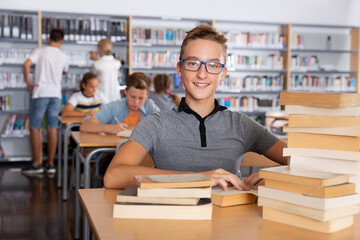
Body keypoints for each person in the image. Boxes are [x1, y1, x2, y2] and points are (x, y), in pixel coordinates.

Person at [103, 24, 288, 190]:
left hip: (227, 223)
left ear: (222, 74)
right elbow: (113, 176)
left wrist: (272, 178)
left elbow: (305, 165)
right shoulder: (156, 124)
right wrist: (199, 178)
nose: (202, 74)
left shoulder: (242, 124)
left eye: (213, 65)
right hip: (171, 222)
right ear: (179, 69)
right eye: (193, 63)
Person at [22, 28, 69, 175]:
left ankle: (37, 164)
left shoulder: (40, 51)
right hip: (55, 94)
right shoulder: (63, 56)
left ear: (49, 38)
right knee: (52, 128)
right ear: (61, 41)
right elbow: (65, 71)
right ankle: (50, 164)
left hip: (40, 92)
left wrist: (29, 82)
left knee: (35, 128)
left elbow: (26, 64)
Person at [80, 72, 160, 134]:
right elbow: (85, 126)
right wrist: (110, 128)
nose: (136, 102)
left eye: (141, 98)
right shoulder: (114, 106)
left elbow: (164, 127)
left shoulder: (150, 106)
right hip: (113, 152)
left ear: (147, 95)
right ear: (125, 91)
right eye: (132, 97)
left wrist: (130, 128)